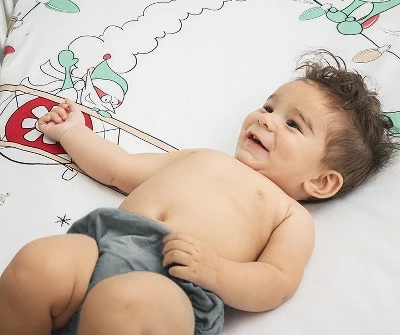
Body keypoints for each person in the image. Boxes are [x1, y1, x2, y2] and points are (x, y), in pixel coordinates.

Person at [0, 50, 395, 335]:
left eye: (293, 125)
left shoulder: (290, 215)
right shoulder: (199, 157)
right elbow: (119, 167)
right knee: (40, 262)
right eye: (268, 107)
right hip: (107, 245)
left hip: (176, 288)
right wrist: (70, 132)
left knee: (124, 302)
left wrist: (218, 271)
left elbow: (276, 281)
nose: (266, 120)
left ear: (321, 182)